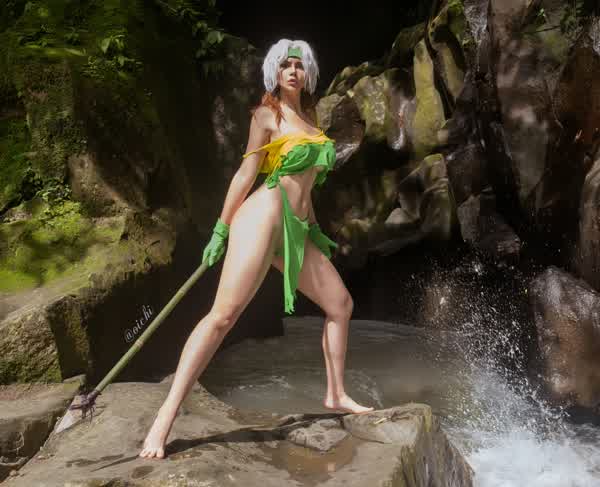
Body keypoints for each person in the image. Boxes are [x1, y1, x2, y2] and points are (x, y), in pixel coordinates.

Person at [139, 39, 373, 460]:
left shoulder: (311, 121)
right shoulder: (267, 115)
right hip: (263, 216)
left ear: (308, 73)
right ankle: (165, 415)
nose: (293, 71)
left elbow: (306, 188)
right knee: (222, 317)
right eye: (285, 65)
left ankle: (336, 393)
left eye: (299, 65)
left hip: (295, 228)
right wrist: (220, 229)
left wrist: (314, 230)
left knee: (340, 305)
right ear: (274, 73)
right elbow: (246, 174)